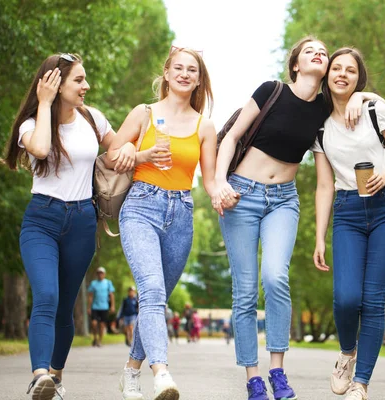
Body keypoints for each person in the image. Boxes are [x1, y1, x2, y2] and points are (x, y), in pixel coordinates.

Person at [214, 36, 382, 400]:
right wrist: (217, 184)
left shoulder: (323, 109)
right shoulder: (270, 90)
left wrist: (357, 96)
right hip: (241, 195)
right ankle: (253, 377)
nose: (320, 55)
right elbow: (230, 138)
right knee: (245, 291)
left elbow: (356, 99)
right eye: (311, 51)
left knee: (275, 277)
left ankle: (278, 371)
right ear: (295, 65)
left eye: (324, 52)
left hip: (283, 201)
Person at [4, 53, 130, 399]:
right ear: (56, 85)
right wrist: (44, 104)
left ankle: (55, 377)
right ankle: (39, 374)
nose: (86, 86)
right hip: (41, 221)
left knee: (65, 305)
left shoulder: (93, 119)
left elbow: (121, 149)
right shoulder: (31, 125)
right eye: (78, 80)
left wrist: (141, 154)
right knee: (46, 295)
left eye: (85, 79)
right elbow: (42, 149)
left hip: (82, 222)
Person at [106, 47, 228, 400]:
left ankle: (131, 371)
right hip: (141, 206)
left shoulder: (205, 126)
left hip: (181, 213)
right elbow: (112, 155)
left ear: (198, 79)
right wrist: (137, 154)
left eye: (192, 69)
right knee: (153, 292)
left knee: (155, 301)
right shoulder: (143, 114)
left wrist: (221, 194)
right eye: (179, 68)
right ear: (167, 72)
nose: (185, 74)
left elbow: (208, 179)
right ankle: (161, 373)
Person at [311, 47, 385, 400]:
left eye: (350, 70)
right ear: (327, 77)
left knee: (372, 299)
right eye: (336, 68)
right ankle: (346, 354)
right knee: (345, 298)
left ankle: (361, 383)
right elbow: (324, 185)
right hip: (348, 212)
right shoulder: (320, 127)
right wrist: (319, 236)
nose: (342, 74)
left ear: (358, 77)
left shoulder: (374, 109)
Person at [87, 267, 116, 348]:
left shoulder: (108, 283)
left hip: (104, 307)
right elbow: (90, 296)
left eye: (101, 273)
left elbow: (111, 295)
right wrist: (89, 307)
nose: (100, 275)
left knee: (102, 325)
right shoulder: (93, 283)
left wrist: (112, 306)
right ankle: (95, 338)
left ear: (104, 274)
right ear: (97, 274)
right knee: (94, 323)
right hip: (95, 307)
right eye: (99, 273)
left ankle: (100, 340)